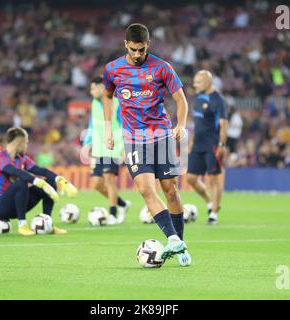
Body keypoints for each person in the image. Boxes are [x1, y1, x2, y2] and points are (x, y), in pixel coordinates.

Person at [102, 23, 190, 266]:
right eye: (133, 50)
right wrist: (109, 128)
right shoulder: (112, 69)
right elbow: (106, 96)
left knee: (171, 191)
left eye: (142, 50)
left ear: (148, 45)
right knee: (145, 189)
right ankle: (172, 238)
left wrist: (181, 124)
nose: (138, 55)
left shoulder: (162, 68)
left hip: (161, 135)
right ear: (126, 45)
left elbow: (180, 99)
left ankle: (180, 245)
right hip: (134, 139)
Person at [0, 127, 78, 236]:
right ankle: (22, 225)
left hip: (17, 203)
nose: (26, 146)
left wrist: (62, 181)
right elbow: (15, 171)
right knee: (21, 182)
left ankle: (48, 223)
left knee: (50, 181)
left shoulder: (21, 158)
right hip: (0, 208)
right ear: (19, 142)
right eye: (26, 143)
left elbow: (41, 170)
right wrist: (39, 183)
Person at [82, 76, 131, 224]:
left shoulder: (117, 105)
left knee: (109, 181)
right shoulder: (94, 104)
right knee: (97, 184)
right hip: (98, 150)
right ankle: (123, 204)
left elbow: (125, 126)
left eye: (93, 88)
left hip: (113, 148)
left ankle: (112, 214)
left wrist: (125, 149)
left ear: (102, 88)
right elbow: (92, 125)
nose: (91, 92)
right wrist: (86, 144)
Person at [187, 70, 228, 225]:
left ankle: (214, 215)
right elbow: (198, 123)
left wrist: (222, 144)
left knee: (214, 179)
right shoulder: (199, 98)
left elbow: (224, 124)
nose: (195, 85)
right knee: (190, 178)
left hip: (212, 144)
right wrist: (191, 140)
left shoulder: (218, 100)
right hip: (198, 144)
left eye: (198, 82)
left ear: (207, 82)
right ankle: (210, 203)